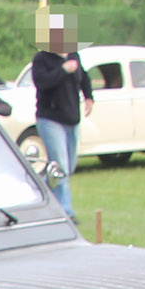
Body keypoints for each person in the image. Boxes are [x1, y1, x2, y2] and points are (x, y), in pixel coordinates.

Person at [28, 16, 94, 216]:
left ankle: (42, 194)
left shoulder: (73, 55)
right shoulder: (42, 60)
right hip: (50, 118)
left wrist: (89, 97)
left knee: (68, 166)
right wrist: (63, 70)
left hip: (71, 118)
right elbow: (42, 82)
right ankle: (65, 211)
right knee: (60, 165)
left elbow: (84, 77)